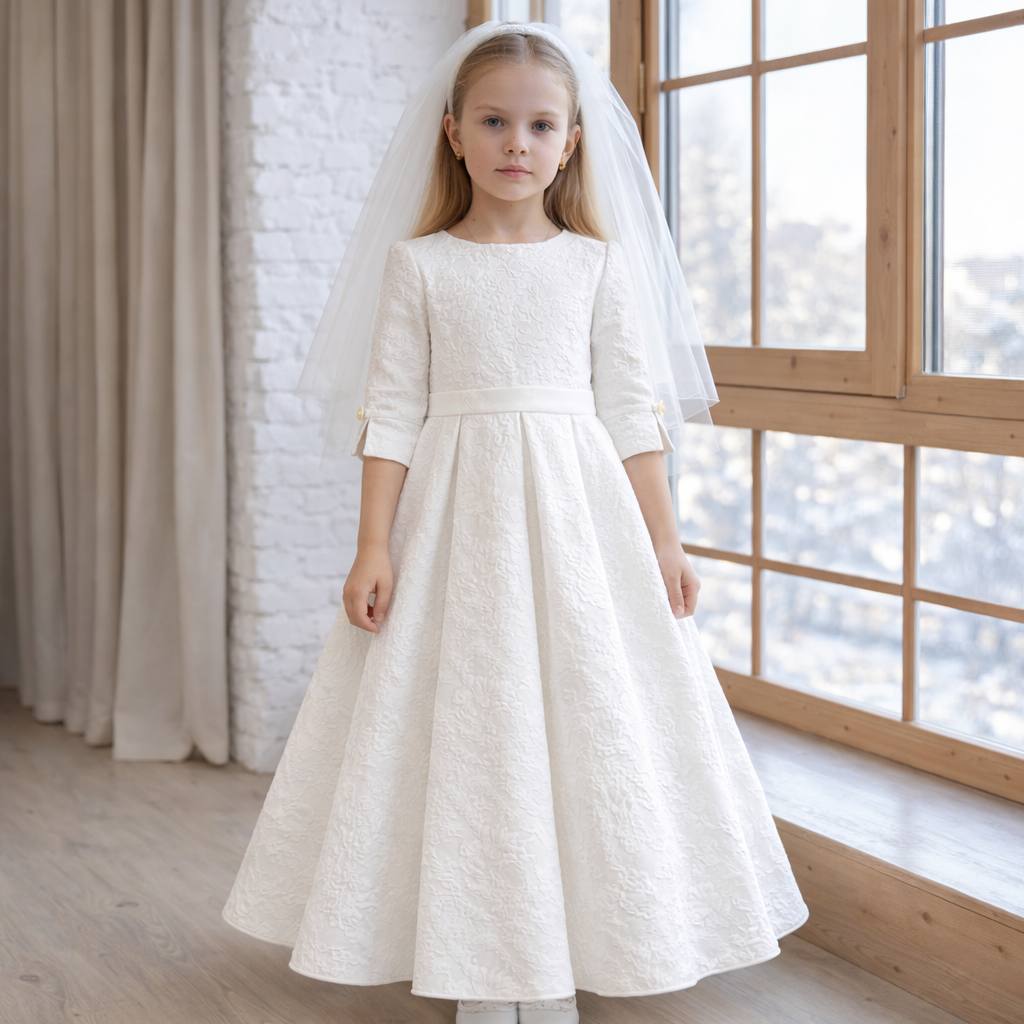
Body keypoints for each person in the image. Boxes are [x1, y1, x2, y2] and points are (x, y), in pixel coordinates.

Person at [221, 20, 810, 1024]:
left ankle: (582, 934)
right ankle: (475, 942)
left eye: (540, 125)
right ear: (453, 133)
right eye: (494, 122)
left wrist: (663, 538)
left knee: (589, 713)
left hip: (581, 519)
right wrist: (373, 543)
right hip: (455, 521)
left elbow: (633, 411)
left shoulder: (595, 265)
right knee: (467, 720)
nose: (516, 144)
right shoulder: (422, 266)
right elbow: (393, 412)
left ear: (571, 140)